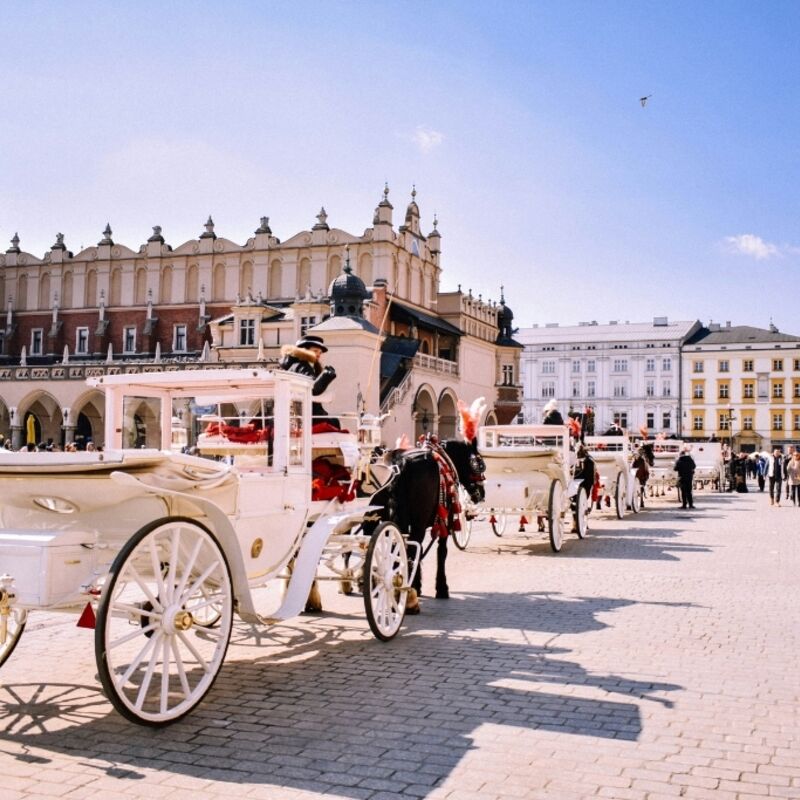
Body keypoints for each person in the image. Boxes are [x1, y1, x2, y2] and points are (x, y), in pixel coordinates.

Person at [278, 335, 338, 426]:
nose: (318, 354)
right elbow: (312, 389)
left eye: (320, 352)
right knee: (335, 422)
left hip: (299, 415)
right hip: (307, 415)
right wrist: (327, 375)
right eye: (315, 351)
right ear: (304, 350)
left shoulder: (295, 365)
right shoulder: (303, 365)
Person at [674, 445, 696, 509]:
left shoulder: (679, 461)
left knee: (683, 491)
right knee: (689, 491)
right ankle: (691, 505)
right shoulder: (690, 459)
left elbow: (675, 469)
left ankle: (684, 505)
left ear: (680, 455)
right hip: (689, 477)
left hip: (682, 478)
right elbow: (694, 466)